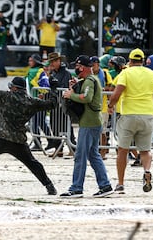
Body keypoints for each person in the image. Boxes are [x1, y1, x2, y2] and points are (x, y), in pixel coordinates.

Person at [108, 48, 153, 194]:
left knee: (122, 150)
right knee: (145, 151)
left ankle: (120, 184)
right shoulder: (152, 74)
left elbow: (117, 93)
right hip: (147, 115)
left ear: (131, 60)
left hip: (129, 115)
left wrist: (110, 106)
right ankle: (146, 170)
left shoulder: (126, 73)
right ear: (143, 61)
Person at [60, 55, 113, 198]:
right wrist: (75, 87)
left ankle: (76, 188)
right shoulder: (88, 80)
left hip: (89, 123)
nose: (75, 69)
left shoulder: (90, 80)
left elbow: (87, 98)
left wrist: (70, 95)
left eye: (77, 66)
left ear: (82, 67)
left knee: (80, 155)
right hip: (92, 122)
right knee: (93, 155)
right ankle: (105, 185)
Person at [45, 52, 74, 155]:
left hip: (63, 103)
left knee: (67, 126)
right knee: (54, 126)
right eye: (51, 61)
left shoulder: (66, 73)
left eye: (54, 61)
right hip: (54, 103)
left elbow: (64, 87)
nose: (52, 63)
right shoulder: (53, 73)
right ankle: (59, 149)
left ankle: (72, 148)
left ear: (59, 61)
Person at [25, 54, 51, 151]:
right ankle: (39, 142)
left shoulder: (39, 71)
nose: (29, 62)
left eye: (31, 60)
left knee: (39, 123)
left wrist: (42, 93)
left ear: (35, 61)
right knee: (36, 123)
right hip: (33, 101)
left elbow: (45, 86)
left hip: (39, 101)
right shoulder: (34, 71)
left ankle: (49, 141)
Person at [91, 56, 113, 159]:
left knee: (102, 131)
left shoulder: (104, 73)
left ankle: (103, 151)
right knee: (93, 129)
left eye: (93, 64)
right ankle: (95, 150)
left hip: (103, 106)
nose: (92, 66)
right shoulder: (89, 74)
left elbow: (111, 87)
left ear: (98, 64)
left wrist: (102, 89)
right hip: (92, 106)